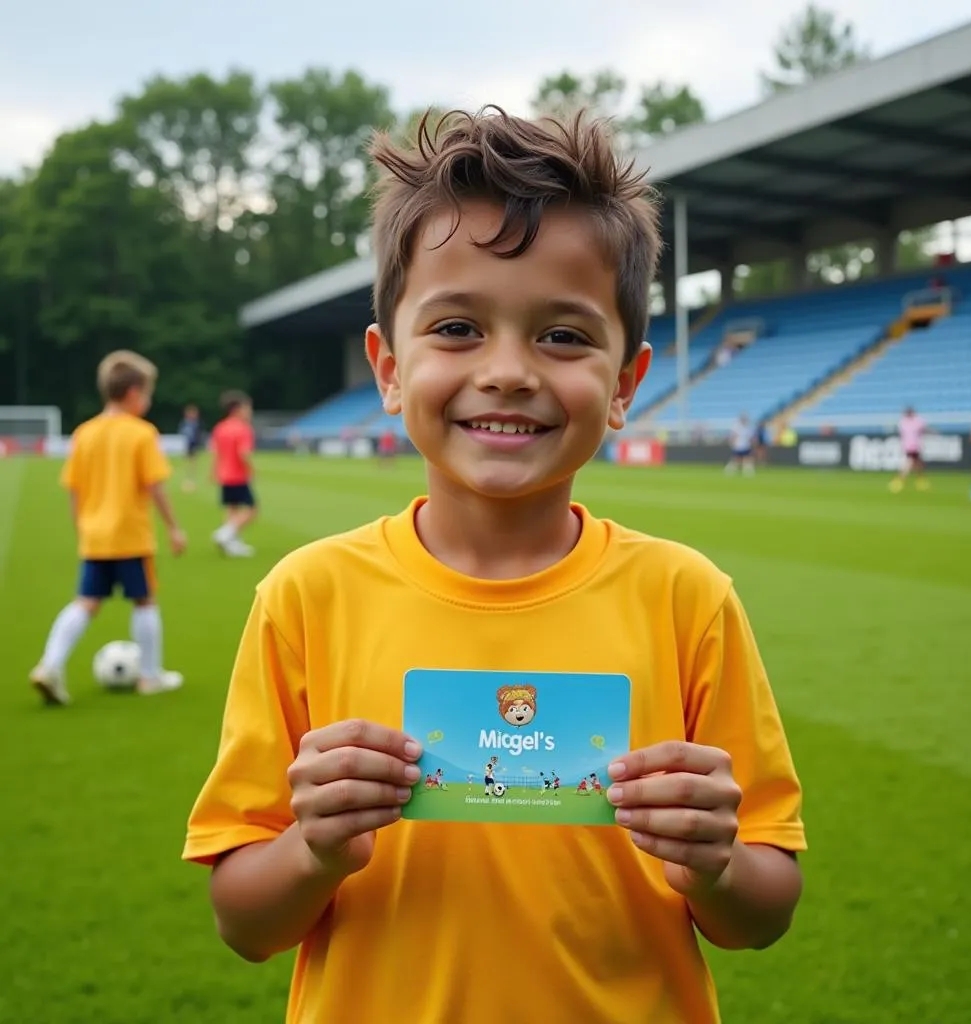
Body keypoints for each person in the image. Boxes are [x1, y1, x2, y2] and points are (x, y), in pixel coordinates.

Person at [183, 107, 806, 1024]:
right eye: (459, 329)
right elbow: (244, 920)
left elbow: (762, 911)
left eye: (562, 336)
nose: (509, 370)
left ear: (626, 383)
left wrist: (713, 861)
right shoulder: (308, 596)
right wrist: (313, 847)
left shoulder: (686, 598)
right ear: (388, 367)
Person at [29, 350, 187, 705]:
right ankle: (149, 676)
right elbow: (154, 486)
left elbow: (74, 489)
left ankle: (49, 665)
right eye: (148, 392)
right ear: (133, 392)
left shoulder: (85, 433)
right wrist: (175, 527)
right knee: (144, 600)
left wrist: (82, 527)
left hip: (95, 535)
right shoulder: (142, 434)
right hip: (130, 535)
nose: (149, 399)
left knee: (86, 601)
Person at [210, 390, 257, 557]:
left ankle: (231, 542)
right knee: (252, 510)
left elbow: (215, 453)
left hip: (224, 475)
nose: (249, 411)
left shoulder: (220, 428)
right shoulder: (243, 429)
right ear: (237, 409)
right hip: (238, 475)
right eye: (247, 408)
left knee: (232, 508)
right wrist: (252, 468)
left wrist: (213, 472)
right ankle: (225, 534)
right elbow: (243, 452)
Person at [889, 405, 929, 492]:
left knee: (918, 463)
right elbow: (924, 429)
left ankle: (920, 480)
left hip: (909, 446)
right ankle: (900, 480)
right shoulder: (917, 421)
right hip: (913, 445)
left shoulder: (903, 422)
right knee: (910, 463)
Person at [179, 403, 204, 492]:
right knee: (187, 460)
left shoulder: (196, 424)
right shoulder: (185, 423)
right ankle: (187, 477)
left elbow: (198, 434)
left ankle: (191, 477)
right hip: (187, 444)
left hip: (194, 444)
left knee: (193, 461)